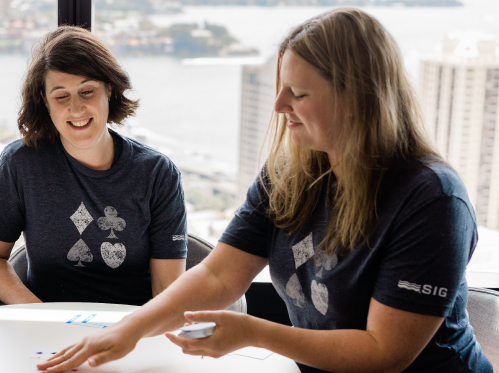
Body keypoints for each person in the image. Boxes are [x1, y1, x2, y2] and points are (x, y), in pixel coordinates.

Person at [37, 8, 493, 373]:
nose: (279, 106)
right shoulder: (290, 175)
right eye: (281, 89)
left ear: (358, 96)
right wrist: (129, 329)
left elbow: (382, 354)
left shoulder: (433, 200)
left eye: (298, 93)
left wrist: (253, 332)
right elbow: (218, 277)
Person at [0, 26, 188, 306]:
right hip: (47, 329)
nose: (76, 109)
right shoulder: (21, 164)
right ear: (44, 101)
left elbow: (167, 293)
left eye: (87, 91)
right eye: (61, 96)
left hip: (131, 330)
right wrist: (38, 313)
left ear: (109, 89)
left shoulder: (157, 173)